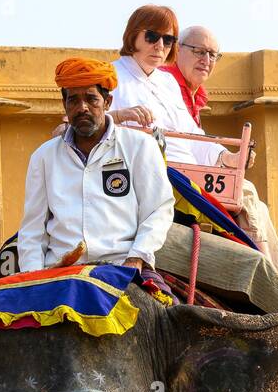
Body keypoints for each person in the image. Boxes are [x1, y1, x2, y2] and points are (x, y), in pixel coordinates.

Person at [110, 13, 278, 320]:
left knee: (248, 197)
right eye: (152, 36)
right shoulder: (112, 77)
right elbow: (78, 129)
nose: (160, 46)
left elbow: (194, 137)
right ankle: (277, 286)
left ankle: (277, 285)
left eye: (167, 40)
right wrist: (121, 116)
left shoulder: (166, 82)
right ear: (133, 36)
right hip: (158, 174)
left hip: (190, 170)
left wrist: (228, 159)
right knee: (245, 194)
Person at [17, 57, 173, 275]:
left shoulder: (139, 147)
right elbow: (32, 231)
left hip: (122, 265)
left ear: (107, 102)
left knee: (169, 309)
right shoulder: (44, 157)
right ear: (65, 105)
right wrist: (32, 279)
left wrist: (137, 257)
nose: (82, 108)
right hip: (60, 271)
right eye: (73, 101)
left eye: (91, 99)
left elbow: (158, 209)